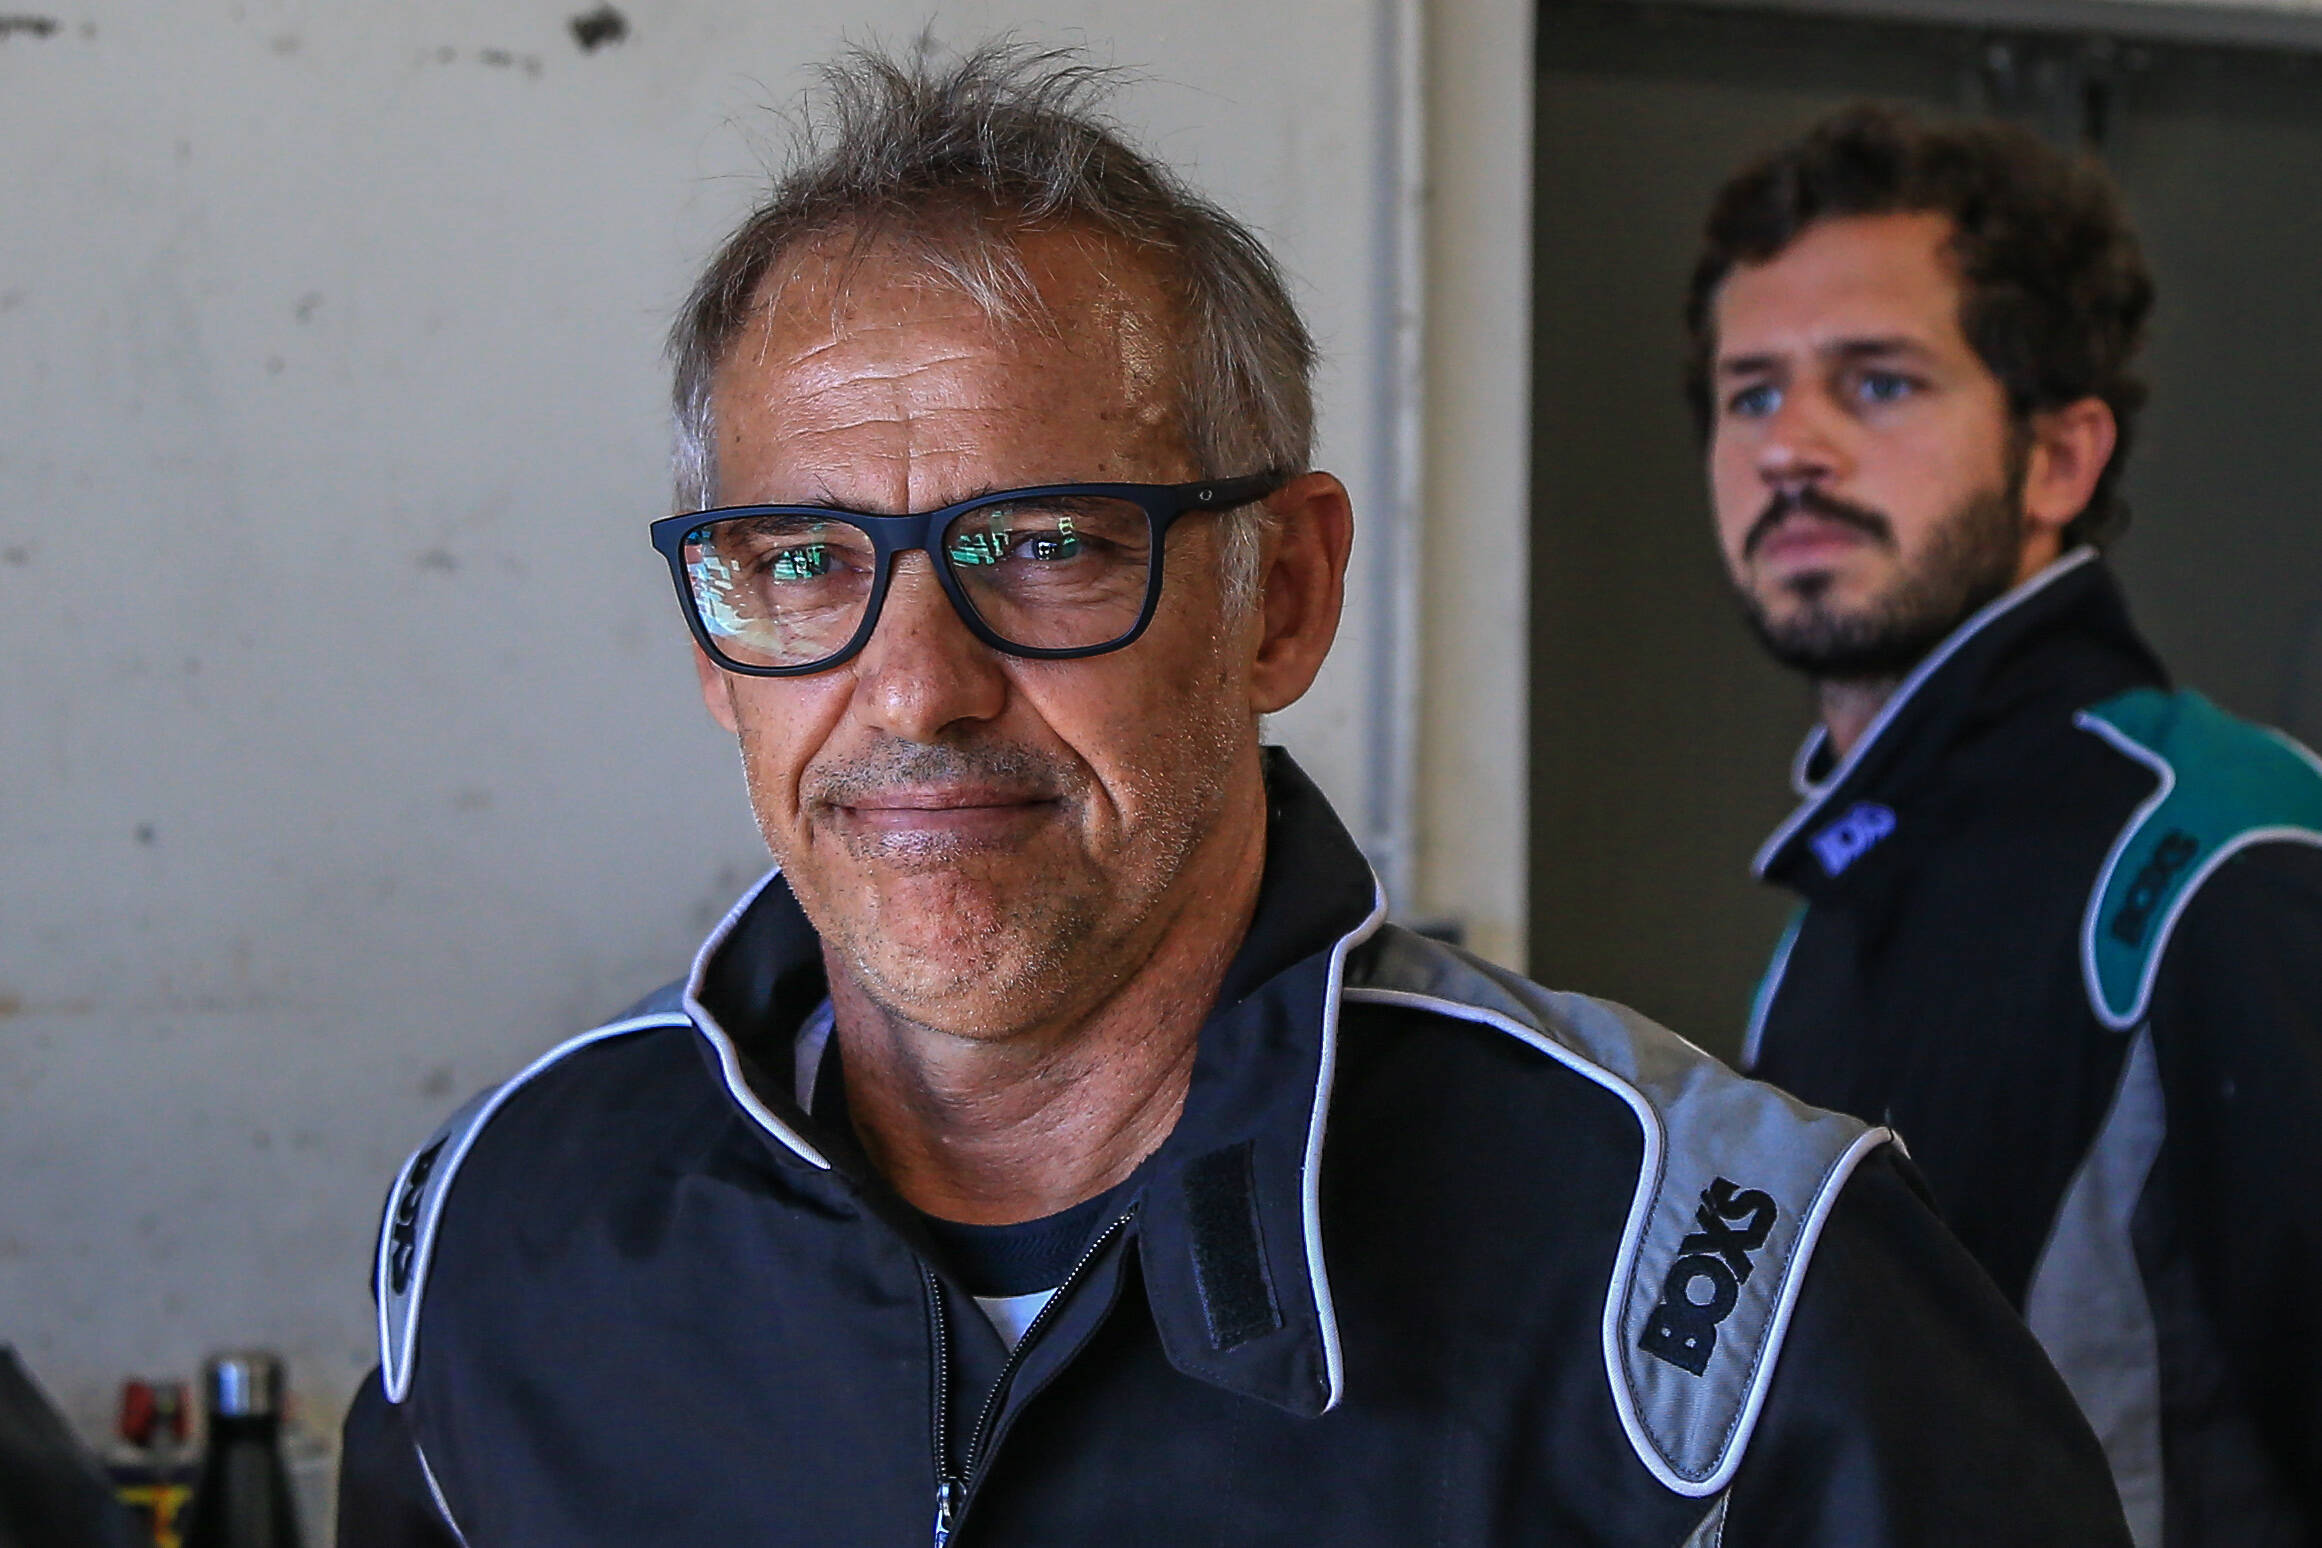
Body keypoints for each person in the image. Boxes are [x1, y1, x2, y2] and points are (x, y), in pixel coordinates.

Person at [336, 50, 2129, 1546]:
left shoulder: (1719, 1321)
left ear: (1281, 594)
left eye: (1040, 545)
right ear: (718, 646)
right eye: (799, 561)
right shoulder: (499, 1247)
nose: (912, 689)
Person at [1690, 104, 2322, 1548]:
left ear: (2057, 459)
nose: (1791, 446)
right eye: (1749, 394)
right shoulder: (1825, 919)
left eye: (1879, 383)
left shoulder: (2220, 848)